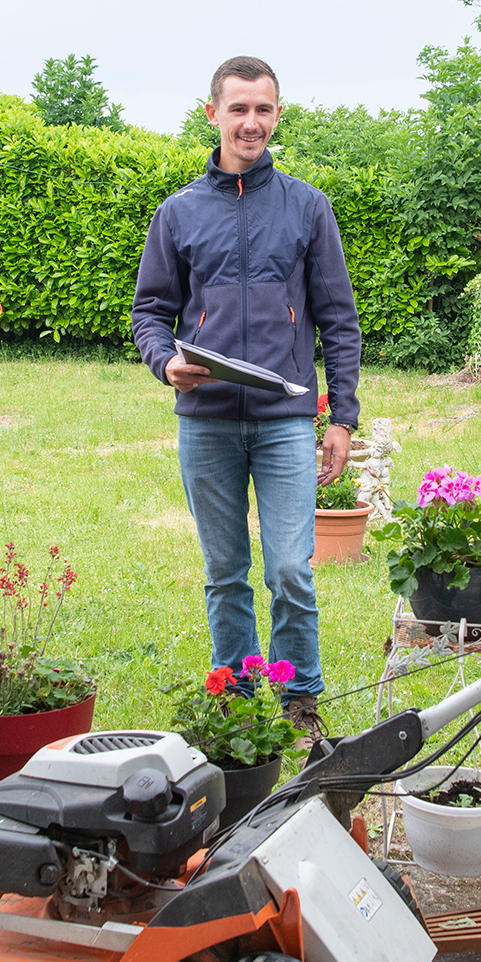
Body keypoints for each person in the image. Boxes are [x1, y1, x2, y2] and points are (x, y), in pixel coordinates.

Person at [131, 56, 362, 742]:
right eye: (239, 108)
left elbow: (339, 318)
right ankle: (234, 696)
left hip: (284, 419)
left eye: (263, 109)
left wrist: (342, 416)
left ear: (278, 114)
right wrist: (166, 362)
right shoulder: (178, 212)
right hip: (205, 422)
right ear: (213, 114)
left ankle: (299, 696)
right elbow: (150, 311)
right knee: (225, 571)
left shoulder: (307, 206)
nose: (251, 122)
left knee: (290, 567)